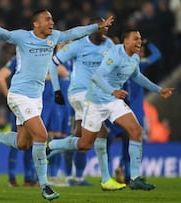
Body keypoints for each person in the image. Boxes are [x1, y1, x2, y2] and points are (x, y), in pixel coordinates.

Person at [0, 7, 113, 200]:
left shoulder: (54, 36)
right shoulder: (22, 37)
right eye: (47, 19)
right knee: (41, 135)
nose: (51, 22)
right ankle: (44, 185)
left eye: (52, 19)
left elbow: (74, 32)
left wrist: (96, 26)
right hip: (19, 94)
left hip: (36, 98)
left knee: (23, 143)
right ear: (36, 23)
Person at [48, 27, 173, 191]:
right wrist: (113, 91)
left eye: (140, 38)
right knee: (85, 144)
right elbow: (97, 76)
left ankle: (134, 178)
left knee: (136, 131)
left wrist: (158, 89)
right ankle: (52, 145)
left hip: (113, 100)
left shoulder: (134, 57)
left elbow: (137, 76)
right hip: (96, 101)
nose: (139, 42)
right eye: (135, 38)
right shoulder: (114, 54)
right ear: (126, 41)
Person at [48, 17, 126, 190]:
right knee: (102, 132)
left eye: (107, 28)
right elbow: (53, 63)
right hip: (79, 93)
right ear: (93, 29)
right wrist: (56, 90)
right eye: (102, 28)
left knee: (80, 138)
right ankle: (106, 180)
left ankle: (49, 147)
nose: (106, 31)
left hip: (96, 95)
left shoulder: (109, 46)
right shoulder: (78, 45)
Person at [108, 40, 162, 184]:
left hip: (122, 110)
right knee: (131, 142)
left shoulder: (125, 65)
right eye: (140, 50)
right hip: (131, 111)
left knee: (120, 141)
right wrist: (148, 42)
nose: (141, 53)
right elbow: (157, 54)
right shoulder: (139, 65)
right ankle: (127, 173)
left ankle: (121, 172)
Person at [0, 56, 36, 187]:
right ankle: (13, 178)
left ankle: (28, 178)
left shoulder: (37, 57)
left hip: (35, 104)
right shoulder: (18, 59)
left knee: (32, 141)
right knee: (19, 141)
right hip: (22, 105)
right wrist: (10, 97)